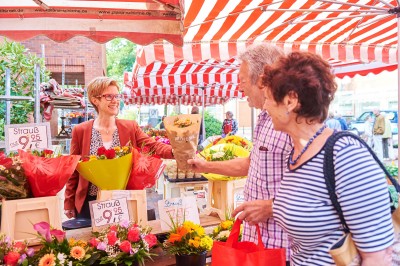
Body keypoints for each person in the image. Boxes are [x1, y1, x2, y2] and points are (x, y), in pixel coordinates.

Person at [260, 51, 393, 265]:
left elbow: (378, 257)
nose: (265, 107)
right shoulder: (298, 155)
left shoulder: (346, 155)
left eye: (268, 99)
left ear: (290, 100)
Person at [188, 44, 292, 262]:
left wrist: (272, 207)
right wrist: (206, 166)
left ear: (263, 77)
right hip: (258, 241)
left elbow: (316, 190)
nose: (240, 88)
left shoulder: (291, 122)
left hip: (283, 248)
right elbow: (251, 164)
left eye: (243, 80)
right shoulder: (265, 119)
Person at [64, 77, 174, 220]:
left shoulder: (130, 127)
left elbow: (152, 145)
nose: (115, 100)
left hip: (123, 199)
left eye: (117, 96)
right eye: (109, 96)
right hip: (89, 202)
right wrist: (68, 201)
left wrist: (175, 151)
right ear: (95, 99)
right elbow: (73, 169)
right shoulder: (81, 130)